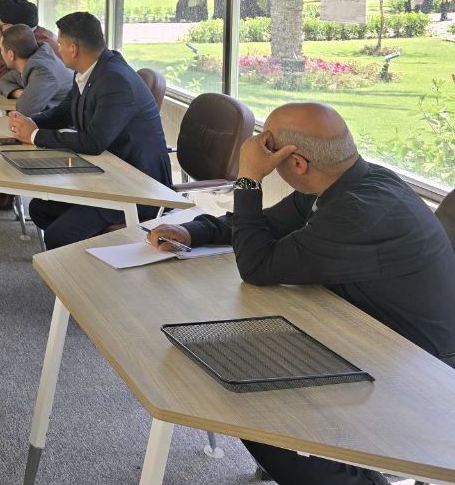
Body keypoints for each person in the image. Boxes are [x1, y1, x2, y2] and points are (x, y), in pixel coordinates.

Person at [146, 102, 455, 485]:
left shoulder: (358, 211)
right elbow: (266, 225)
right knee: (242, 358)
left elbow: (257, 266)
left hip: (419, 369)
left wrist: (248, 178)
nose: (258, 152)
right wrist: (194, 231)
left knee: (258, 407)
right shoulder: (347, 181)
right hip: (367, 330)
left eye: (266, 146)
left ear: (296, 163)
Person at [8, 11, 172, 249]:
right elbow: (65, 112)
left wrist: (34, 135)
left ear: (73, 49)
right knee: (40, 209)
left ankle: (89, 265)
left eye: (60, 44)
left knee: (57, 236)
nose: (58, 49)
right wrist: (30, 122)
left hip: (136, 187)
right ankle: (86, 256)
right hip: (106, 173)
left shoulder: (115, 79)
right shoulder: (89, 70)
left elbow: (94, 142)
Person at [0, 24, 73, 119]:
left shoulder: (43, 71)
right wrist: (18, 92)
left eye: (1, 50)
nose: (1, 53)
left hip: (66, 124)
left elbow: (24, 110)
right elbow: (2, 82)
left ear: (11, 55)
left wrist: (26, 96)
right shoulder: (31, 62)